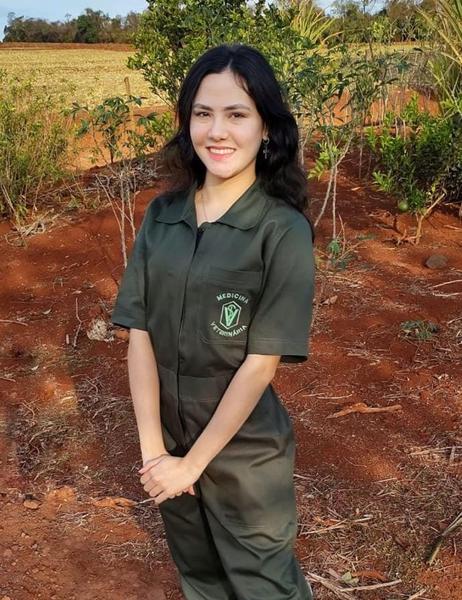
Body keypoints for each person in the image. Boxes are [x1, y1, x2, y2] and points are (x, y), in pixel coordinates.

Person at [111, 43, 316, 600]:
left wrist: (192, 465)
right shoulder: (162, 215)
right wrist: (156, 452)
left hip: (245, 453)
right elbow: (140, 334)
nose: (217, 132)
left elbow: (260, 364)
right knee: (200, 579)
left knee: (263, 584)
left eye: (237, 114)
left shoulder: (281, 230)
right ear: (187, 124)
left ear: (268, 129)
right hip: (170, 444)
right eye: (203, 113)